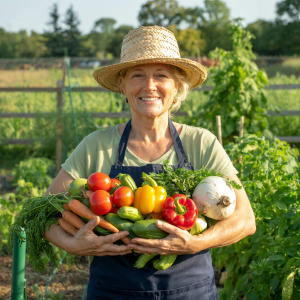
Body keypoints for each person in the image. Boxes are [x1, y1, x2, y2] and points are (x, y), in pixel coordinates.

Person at [44, 25, 256, 300]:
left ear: (177, 85)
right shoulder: (95, 145)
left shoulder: (200, 143)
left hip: (190, 292)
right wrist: (73, 245)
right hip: (112, 293)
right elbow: (45, 214)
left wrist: (195, 243)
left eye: (161, 75)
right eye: (138, 75)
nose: (149, 86)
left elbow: (246, 220)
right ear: (122, 83)